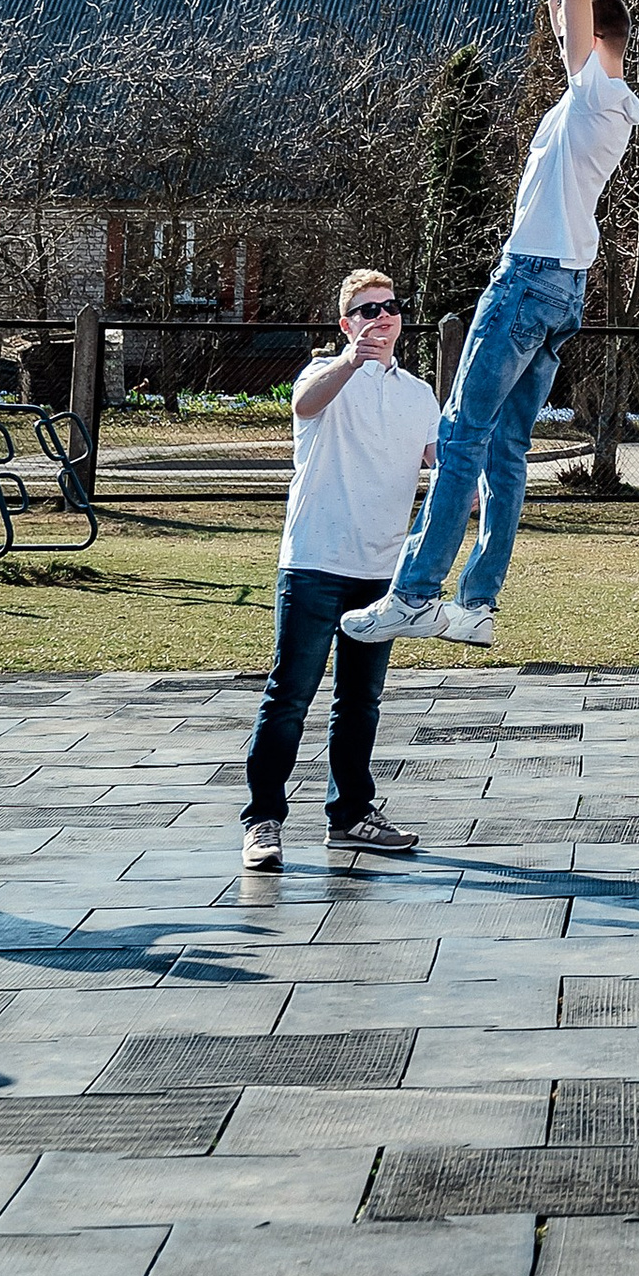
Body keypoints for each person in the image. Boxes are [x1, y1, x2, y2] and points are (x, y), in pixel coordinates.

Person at [342, 0, 639, 648]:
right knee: (508, 451)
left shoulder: (598, 94)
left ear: (599, 37)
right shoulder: (599, 101)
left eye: (578, 29)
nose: (562, 32)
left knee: (464, 434)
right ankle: (477, 603)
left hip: (529, 281)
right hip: (561, 290)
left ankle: (413, 591)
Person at [241, 269, 436, 868]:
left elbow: (439, 463)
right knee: (291, 693)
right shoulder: (325, 375)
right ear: (346, 323)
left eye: (390, 306)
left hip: (381, 569)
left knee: (361, 699)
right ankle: (263, 821)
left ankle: (351, 816)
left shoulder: (419, 393)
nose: (381, 317)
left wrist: (479, 488)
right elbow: (305, 403)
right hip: (315, 560)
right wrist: (352, 361)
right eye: (366, 310)